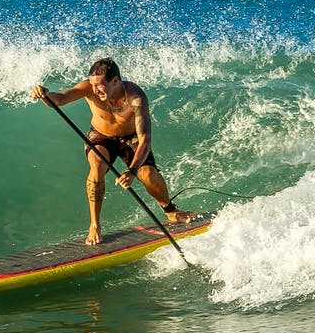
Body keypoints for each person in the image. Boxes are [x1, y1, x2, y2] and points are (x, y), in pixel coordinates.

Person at [32, 58, 195, 245]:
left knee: (148, 175)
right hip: (101, 135)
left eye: (100, 85)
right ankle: (94, 225)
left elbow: (145, 141)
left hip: (131, 138)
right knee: (96, 166)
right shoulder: (88, 87)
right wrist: (45, 94)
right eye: (93, 85)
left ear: (115, 81)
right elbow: (59, 99)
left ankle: (170, 211)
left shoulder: (136, 98)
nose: (95, 90)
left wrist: (132, 171)